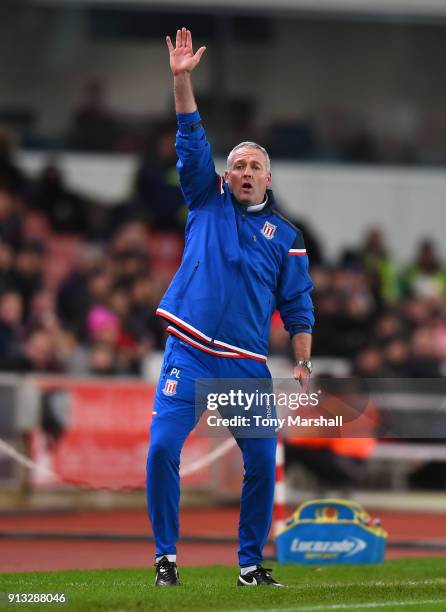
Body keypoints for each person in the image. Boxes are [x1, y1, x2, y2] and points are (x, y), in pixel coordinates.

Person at [146, 28, 314, 588]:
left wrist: (304, 362)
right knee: (163, 448)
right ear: (227, 173)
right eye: (237, 164)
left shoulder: (286, 235)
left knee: (263, 464)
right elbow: (191, 137)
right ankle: (165, 557)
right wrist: (182, 80)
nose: (243, 172)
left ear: (268, 178)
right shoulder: (204, 197)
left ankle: (249, 564)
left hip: (244, 363)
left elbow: (298, 305)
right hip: (189, 351)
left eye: (253, 167)